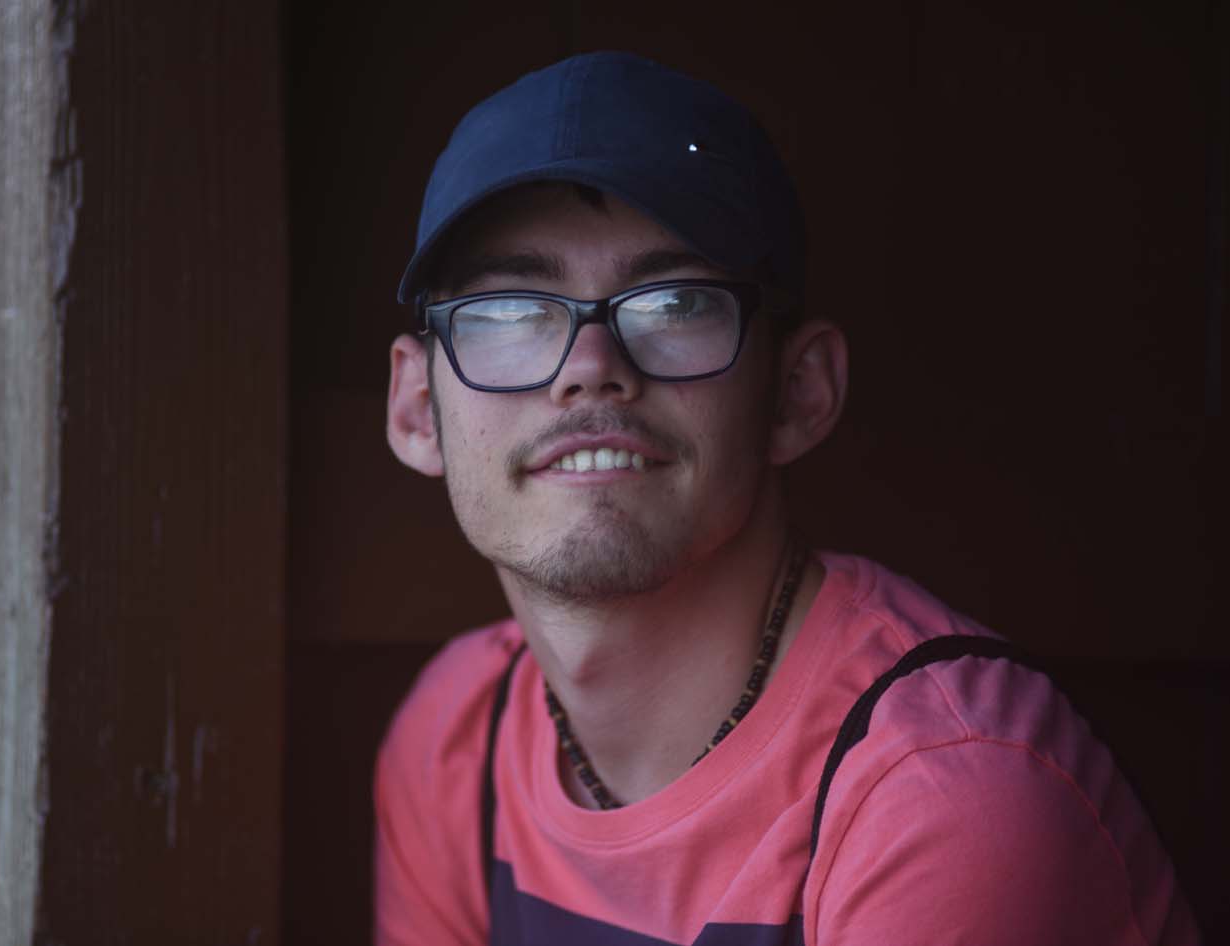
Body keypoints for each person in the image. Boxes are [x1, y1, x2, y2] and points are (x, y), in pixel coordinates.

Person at [375, 51, 1199, 946]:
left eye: (674, 304)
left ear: (798, 392)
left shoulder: (944, 791)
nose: (589, 368)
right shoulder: (457, 731)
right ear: (417, 409)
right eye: (506, 312)